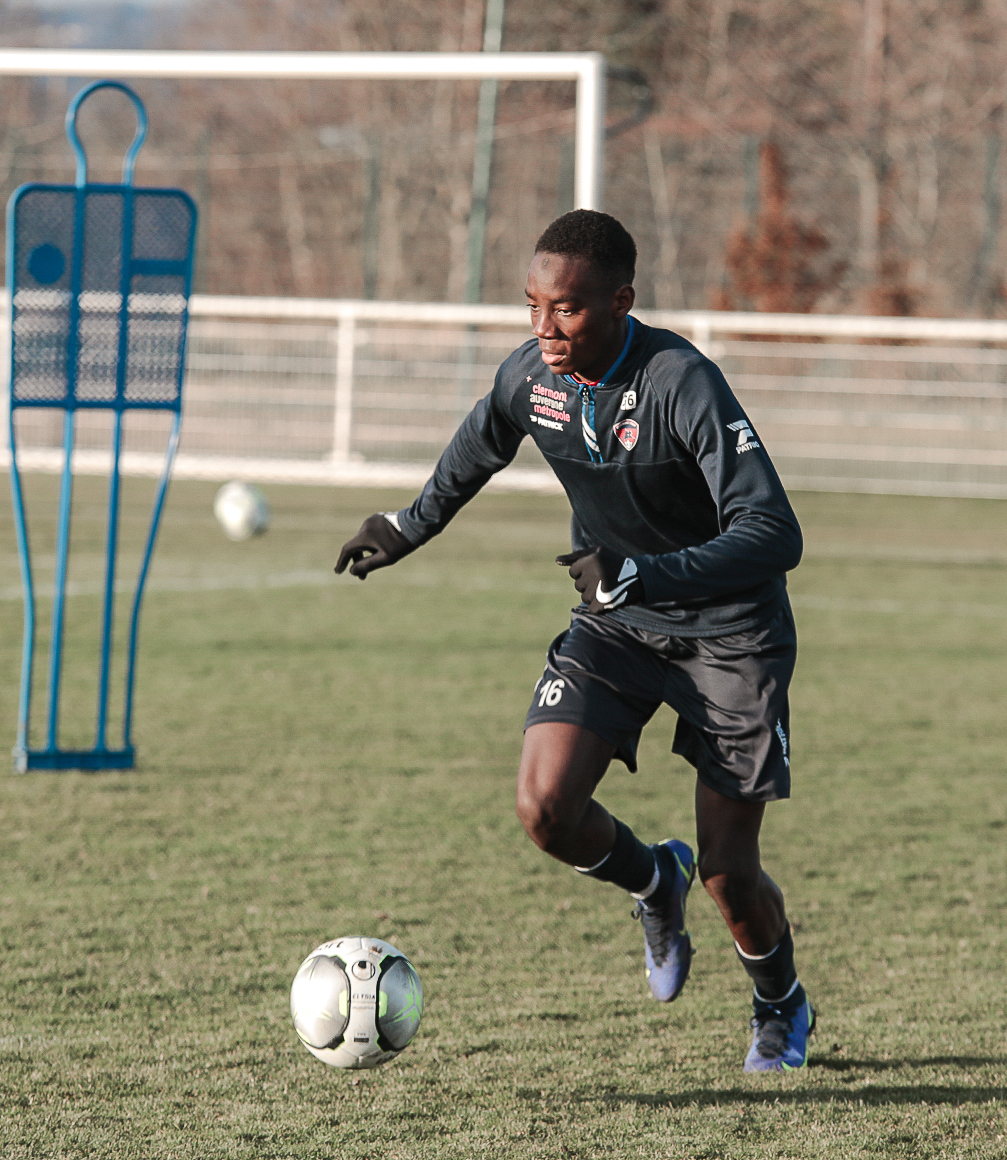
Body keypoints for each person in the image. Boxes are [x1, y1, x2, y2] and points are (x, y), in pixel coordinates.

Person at [335, 210, 813, 1072]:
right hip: (617, 625)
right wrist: (408, 526)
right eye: (533, 306)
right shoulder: (534, 376)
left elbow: (775, 533)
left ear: (621, 301)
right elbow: (480, 443)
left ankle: (780, 1004)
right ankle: (651, 880)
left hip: (731, 636)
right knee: (545, 810)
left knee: (729, 875)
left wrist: (643, 574)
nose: (545, 328)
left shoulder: (680, 382)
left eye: (567, 308)